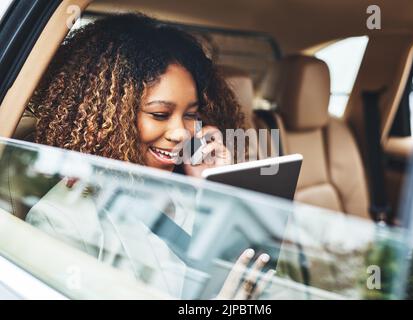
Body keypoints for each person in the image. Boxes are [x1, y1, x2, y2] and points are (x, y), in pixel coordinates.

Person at [25, 13, 274, 299]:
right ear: (109, 117)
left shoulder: (190, 189)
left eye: (191, 115)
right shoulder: (63, 221)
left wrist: (218, 188)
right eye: (160, 114)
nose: (181, 132)